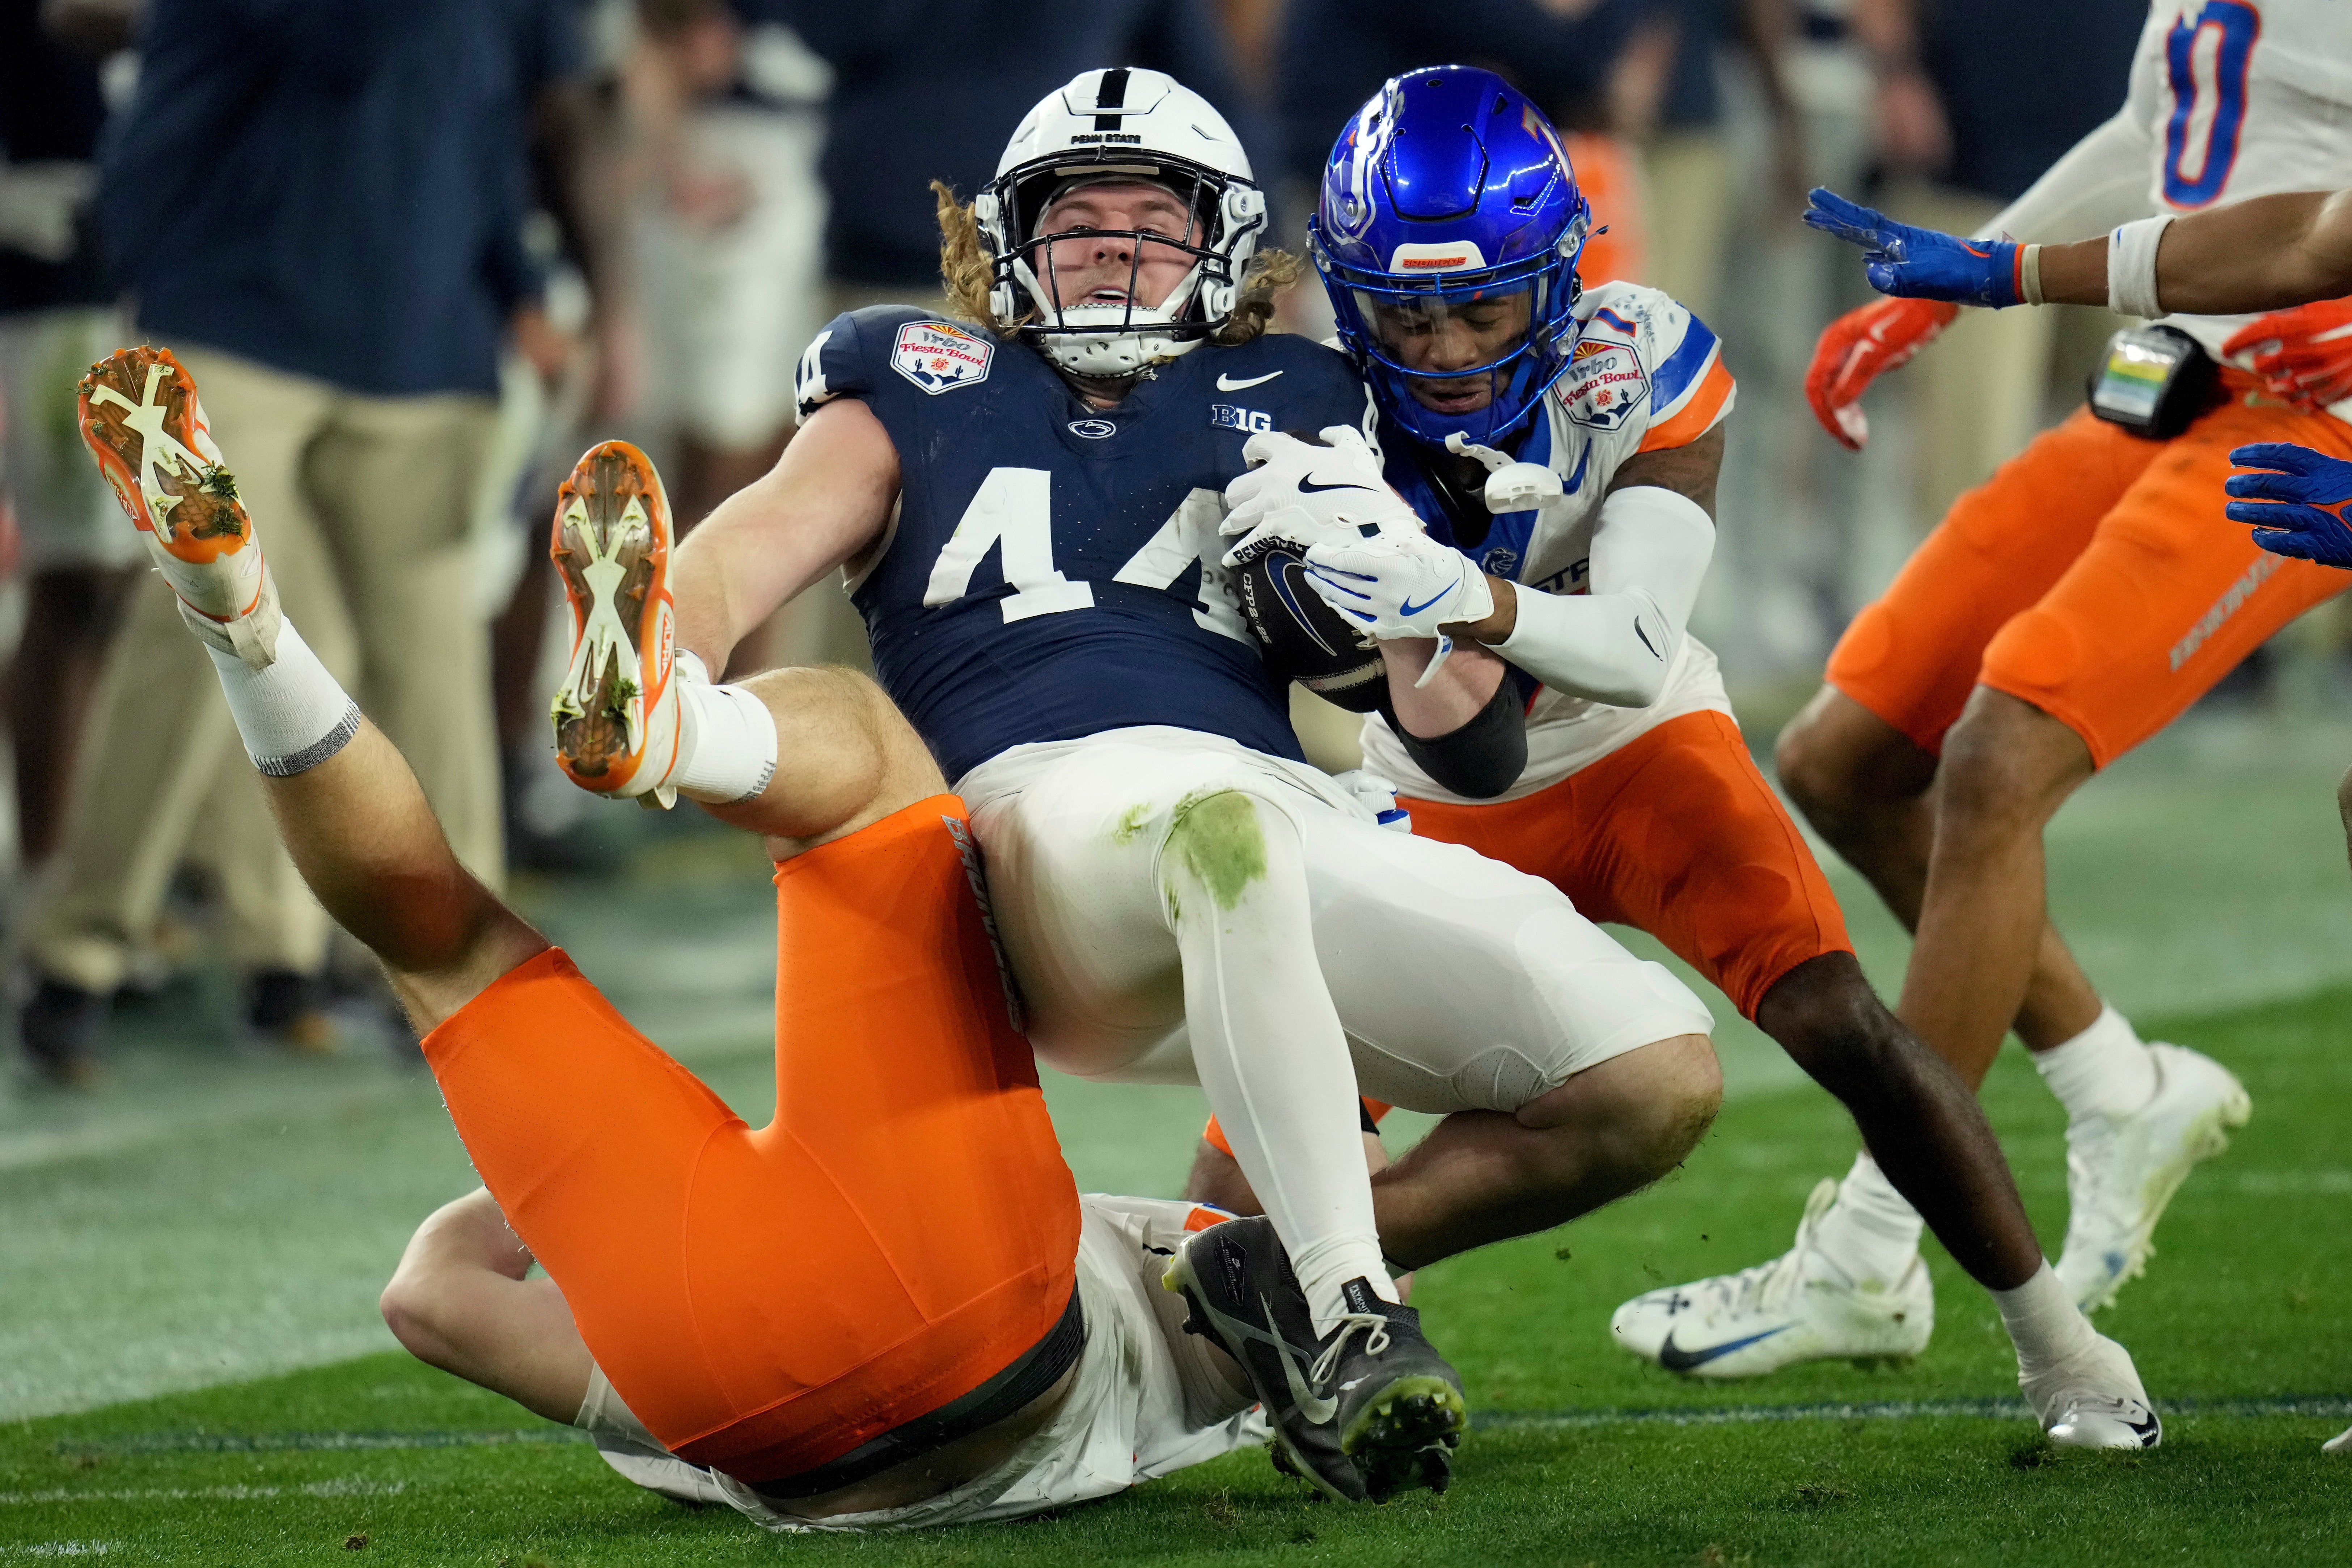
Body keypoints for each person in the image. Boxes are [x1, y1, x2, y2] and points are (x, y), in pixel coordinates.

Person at [550, 65, 1762, 1500]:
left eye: (1153, 222)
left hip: (1279, 812)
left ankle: (1242, 1275)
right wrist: (655, 637)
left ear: (1223, 246)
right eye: (1078, 222)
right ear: (1006, 243)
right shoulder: (915, 379)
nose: (1115, 250)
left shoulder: (1310, 396)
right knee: (1209, 825)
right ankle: (1346, 1310)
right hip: (1039, 827)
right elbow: (750, 544)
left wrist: (1401, 588)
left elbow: (1467, 745)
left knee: (1648, 1072)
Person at [72, 347, 1376, 1528]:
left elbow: (1266, 1221)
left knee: (865, 764)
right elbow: (431, 1298)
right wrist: (586, 1198)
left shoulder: (1210, 1360)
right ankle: (250, 634)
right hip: (715, 1384)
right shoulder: (647, 1415)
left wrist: (1338, 1031)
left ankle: (620, 718)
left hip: (987, 1311)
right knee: (439, 948)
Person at [1188, 65, 2161, 1448]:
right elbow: (1463, 749)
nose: (1446, 347)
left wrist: (1458, 592)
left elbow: (1636, 648)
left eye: (1480, 307)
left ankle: (2060, 1344)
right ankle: (1253, 1357)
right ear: (1350, 298)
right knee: (1234, 1185)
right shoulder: (1300, 406)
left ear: (1556, 276)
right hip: (1422, 790)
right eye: (1406, 312)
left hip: (1638, 747)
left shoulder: (1629, 357)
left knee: (1838, 1020)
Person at [1739, 0, 2350, 1333]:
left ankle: (1870, 1246)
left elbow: (2313, 241)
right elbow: (2195, 157)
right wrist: (1972, 275)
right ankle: (2117, 1090)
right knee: (1844, 758)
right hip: (2166, 373)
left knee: (1999, 759)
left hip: (2306, 420)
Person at [22, 0, 608, 1075]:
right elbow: (346, 43)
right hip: (230, 322)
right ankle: (82, 953)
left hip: (423, 338)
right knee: (202, 638)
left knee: (430, 669)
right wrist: (144, 274)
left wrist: (522, 286)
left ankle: (449, 973)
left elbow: (488, 109)